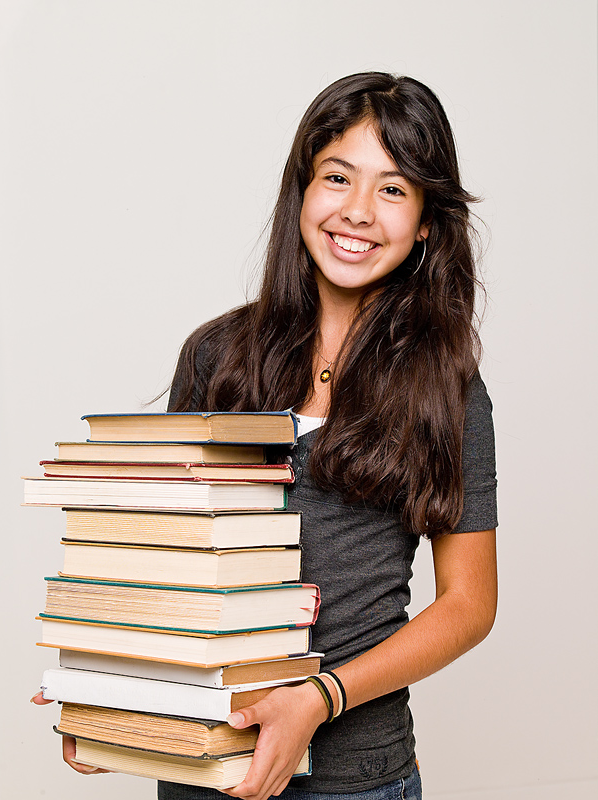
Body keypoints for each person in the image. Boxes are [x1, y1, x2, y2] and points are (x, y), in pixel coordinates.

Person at [33, 72, 498, 800]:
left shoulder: (446, 391)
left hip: (355, 779)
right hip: (203, 765)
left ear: (427, 221)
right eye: (337, 177)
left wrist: (320, 698)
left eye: (392, 189)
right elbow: (162, 558)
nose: (356, 212)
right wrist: (114, 699)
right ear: (301, 189)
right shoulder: (216, 356)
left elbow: (468, 605)